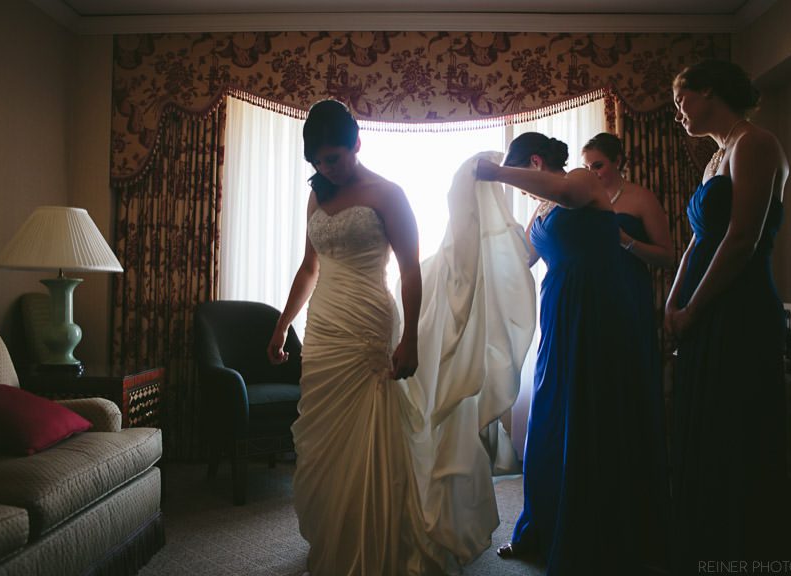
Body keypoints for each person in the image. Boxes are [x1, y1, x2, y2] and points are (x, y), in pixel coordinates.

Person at [267, 99, 449, 575]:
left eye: (335, 158)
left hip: (369, 321)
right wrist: (283, 323)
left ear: (357, 146)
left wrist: (408, 339)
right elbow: (309, 268)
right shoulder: (317, 195)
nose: (327, 168)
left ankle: (376, 536)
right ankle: (337, 528)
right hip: (325, 325)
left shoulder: (389, 194)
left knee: (371, 429)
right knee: (326, 430)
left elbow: (411, 272)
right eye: (319, 161)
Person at [476, 132, 653, 575]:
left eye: (521, 178)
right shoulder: (541, 209)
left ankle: (592, 537)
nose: (520, 190)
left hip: (598, 311)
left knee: (589, 416)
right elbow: (523, 258)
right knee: (550, 418)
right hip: (559, 313)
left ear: (535, 162)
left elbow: (568, 194)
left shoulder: (582, 181)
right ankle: (542, 529)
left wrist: (496, 171)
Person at [666, 59, 790, 569]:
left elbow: (742, 240)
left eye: (681, 102)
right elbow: (698, 239)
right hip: (702, 305)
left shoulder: (756, 144)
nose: (679, 114)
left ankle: (742, 555)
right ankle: (705, 548)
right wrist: (672, 301)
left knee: (735, 432)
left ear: (709, 90)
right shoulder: (713, 160)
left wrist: (694, 307)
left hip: (738, 307)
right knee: (703, 429)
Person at [581, 132, 674, 569]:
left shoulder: (640, 198)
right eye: (588, 166)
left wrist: (627, 242)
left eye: (599, 164)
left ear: (619, 161)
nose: (594, 173)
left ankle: (636, 494)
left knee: (630, 390)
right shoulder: (583, 200)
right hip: (594, 302)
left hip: (631, 299)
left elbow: (667, 256)